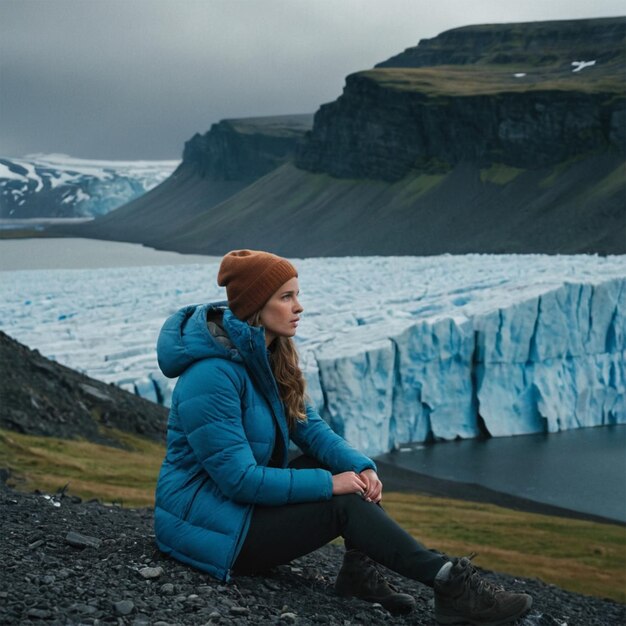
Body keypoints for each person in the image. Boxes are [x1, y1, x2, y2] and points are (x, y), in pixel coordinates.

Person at [154, 249, 532, 624]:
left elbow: (311, 428)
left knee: (341, 472)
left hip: (234, 514)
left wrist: (359, 467)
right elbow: (238, 480)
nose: (298, 307)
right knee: (342, 499)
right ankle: (450, 584)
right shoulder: (212, 376)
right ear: (255, 305)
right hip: (207, 528)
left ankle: (358, 574)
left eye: (296, 295)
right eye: (286, 297)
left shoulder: (269, 357)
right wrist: (330, 484)